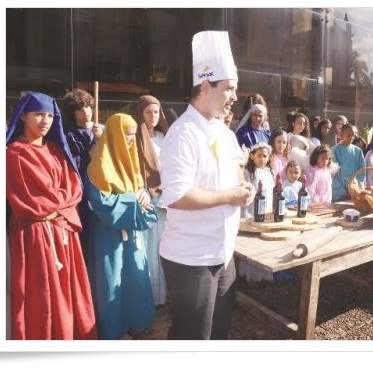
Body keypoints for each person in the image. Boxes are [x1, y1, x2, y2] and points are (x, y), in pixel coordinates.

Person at [158, 31, 254, 340]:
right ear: (205, 85)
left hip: (222, 254)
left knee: (218, 334)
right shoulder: (183, 133)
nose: (234, 97)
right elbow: (178, 195)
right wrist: (230, 196)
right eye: (229, 89)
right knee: (192, 338)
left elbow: (235, 174)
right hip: (191, 260)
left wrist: (243, 188)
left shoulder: (224, 133)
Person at [6, 91, 97, 340]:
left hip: (63, 232)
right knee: (41, 297)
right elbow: (30, 201)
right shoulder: (13, 154)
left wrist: (56, 207)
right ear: (23, 116)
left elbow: (75, 189)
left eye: (49, 115)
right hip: (34, 236)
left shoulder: (57, 150)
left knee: (69, 293)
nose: (45, 121)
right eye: (38, 115)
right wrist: (60, 206)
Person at [85, 113, 157, 340]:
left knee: (135, 278)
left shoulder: (131, 161)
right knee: (111, 280)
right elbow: (100, 203)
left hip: (133, 232)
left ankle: (137, 322)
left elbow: (139, 188)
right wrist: (134, 200)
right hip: (110, 236)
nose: (130, 141)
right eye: (127, 136)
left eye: (133, 136)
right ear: (115, 136)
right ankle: (113, 330)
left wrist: (144, 196)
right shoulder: (98, 166)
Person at [61, 88, 105, 259]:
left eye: (88, 107)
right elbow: (70, 165)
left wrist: (102, 138)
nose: (85, 112)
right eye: (80, 109)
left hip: (103, 189)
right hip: (82, 192)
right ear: (72, 112)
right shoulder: (68, 134)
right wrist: (89, 154)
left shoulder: (102, 129)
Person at [134, 95, 169, 306]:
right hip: (145, 201)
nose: (152, 116)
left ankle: (163, 295)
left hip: (164, 199)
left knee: (163, 248)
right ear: (140, 113)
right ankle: (149, 297)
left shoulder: (164, 138)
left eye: (156, 112)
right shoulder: (134, 138)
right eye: (148, 112)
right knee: (147, 249)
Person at [331, 123, 365, 202]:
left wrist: (358, 189)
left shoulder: (358, 151)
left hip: (354, 187)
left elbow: (362, 171)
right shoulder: (334, 150)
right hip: (339, 188)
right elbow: (332, 174)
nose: (352, 137)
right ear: (341, 135)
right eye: (349, 135)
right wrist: (341, 193)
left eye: (353, 135)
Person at [243, 142, 275, 217]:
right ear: (252, 156)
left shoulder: (270, 172)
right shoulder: (248, 172)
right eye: (259, 156)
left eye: (265, 156)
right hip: (252, 211)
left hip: (267, 209)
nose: (262, 159)